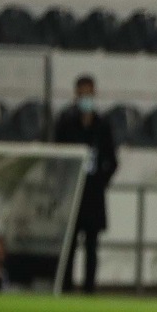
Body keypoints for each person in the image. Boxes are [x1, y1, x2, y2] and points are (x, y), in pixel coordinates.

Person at [54, 75, 118, 294]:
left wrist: (101, 180)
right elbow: (57, 158)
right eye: (83, 94)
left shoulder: (102, 125)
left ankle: (89, 289)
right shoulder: (65, 122)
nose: (86, 98)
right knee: (68, 245)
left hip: (93, 193)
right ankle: (65, 287)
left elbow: (112, 160)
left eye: (89, 93)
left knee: (92, 245)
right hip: (71, 193)